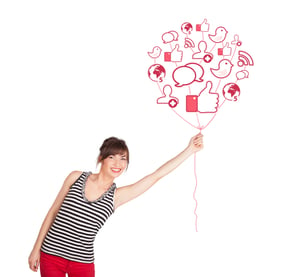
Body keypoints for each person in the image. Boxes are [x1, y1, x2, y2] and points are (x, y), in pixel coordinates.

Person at [28, 133, 204, 277]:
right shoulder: (76, 177)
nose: (117, 163)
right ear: (101, 158)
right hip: (50, 255)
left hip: (81, 261)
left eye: (123, 158)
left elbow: (156, 175)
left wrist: (189, 150)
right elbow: (53, 212)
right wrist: (36, 249)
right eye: (112, 157)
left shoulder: (116, 196)